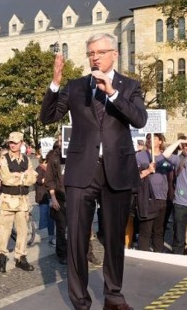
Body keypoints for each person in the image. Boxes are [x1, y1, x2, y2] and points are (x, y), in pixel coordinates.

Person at [39, 33, 148, 310]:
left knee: (113, 237)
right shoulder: (76, 87)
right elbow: (48, 117)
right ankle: (80, 300)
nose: (95, 57)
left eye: (100, 52)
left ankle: (113, 295)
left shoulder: (130, 85)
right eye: (90, 53)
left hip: (117, 171)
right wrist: (55, 83)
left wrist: (112, 92)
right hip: (81, 171)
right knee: (76, 238)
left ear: (115, 54)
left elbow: (139, 119)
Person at [0, 131, 37, 273]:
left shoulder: (26, 159)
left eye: (16, 142)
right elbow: (6, 178)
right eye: (11, 142)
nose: (12, 145)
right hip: (8, 200)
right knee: (4, 231)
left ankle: (21, 257)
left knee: (23, 231)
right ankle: (1, 257)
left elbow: (33, 178)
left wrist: (19, 177)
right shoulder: (4, 159)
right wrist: (23, 177)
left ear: (21, 143)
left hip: (23, 200)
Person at [135, 133, 172, 253]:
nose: (150, 140)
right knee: (145, 230)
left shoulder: (166, 157)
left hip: (163, 199)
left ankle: (158, 254)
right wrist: (148, 170)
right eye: (148, 137)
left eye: (154, 138)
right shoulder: (139, 156)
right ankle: (144, 256)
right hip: (147, 198)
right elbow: (133, 177)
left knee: (159, 231)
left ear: (160, 141)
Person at [46, 138, 68, 264]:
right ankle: (62, 254)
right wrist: (53, 198)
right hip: (60, 198)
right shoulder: (54, 158)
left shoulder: (76, 155)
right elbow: (50, 180)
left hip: (74, 198)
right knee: (61, 228)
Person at [35, 155, 55, 246]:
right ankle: (46, 237)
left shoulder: (49, 169)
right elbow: (39, 181)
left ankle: (50, 236)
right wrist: (48, 179)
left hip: (49, 196)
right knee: (45, 217)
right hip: (43, 196)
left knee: (50, 217)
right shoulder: (39, 169)